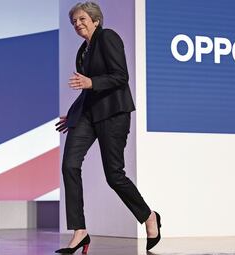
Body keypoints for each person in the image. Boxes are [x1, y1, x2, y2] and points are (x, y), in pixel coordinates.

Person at [55, 2, 161, 253]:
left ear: (95, 20)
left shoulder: (108, 37)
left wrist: (91, 81)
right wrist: (71, 116)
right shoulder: (83, 51)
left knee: (114, 175)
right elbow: (87, 91)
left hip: (113, 114)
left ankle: (148, 216)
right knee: (69, 164)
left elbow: (120, 76)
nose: (77, 24)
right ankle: (80, 231)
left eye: (82, 19)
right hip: (87, 116)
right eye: (74, 22)